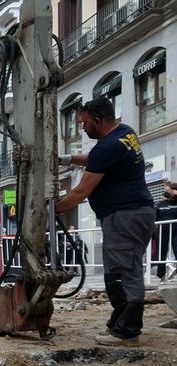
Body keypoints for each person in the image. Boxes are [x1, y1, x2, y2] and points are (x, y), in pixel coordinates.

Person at [55, 96, 154, 347]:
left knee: (123, 272)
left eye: (85, 123)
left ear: (98, 120)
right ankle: (119, 323)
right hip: (136, 213)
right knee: (120, 269)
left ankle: (128, 331)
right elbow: (96, 159)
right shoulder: (124, 133)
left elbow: (80, 192)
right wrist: (67, 159)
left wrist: (51, 210)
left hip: (125, 215)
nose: (83, 128)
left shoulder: (107, 147)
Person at [154, 183, 177, 283]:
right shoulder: (160, 204)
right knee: (161, 253)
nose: (166, 192)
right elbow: (155, 218)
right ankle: (161, 276)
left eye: (168, 190)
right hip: (162, 230)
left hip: (176, 231)